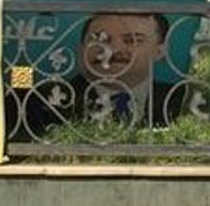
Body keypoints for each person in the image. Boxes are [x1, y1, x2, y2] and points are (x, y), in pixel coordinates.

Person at [14, 13, 181, 137]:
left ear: (159, 51)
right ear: (81, 49)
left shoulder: (184, 100)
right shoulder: (40, 103)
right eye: (100, 40)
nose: (114, 50)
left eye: (132, 40)